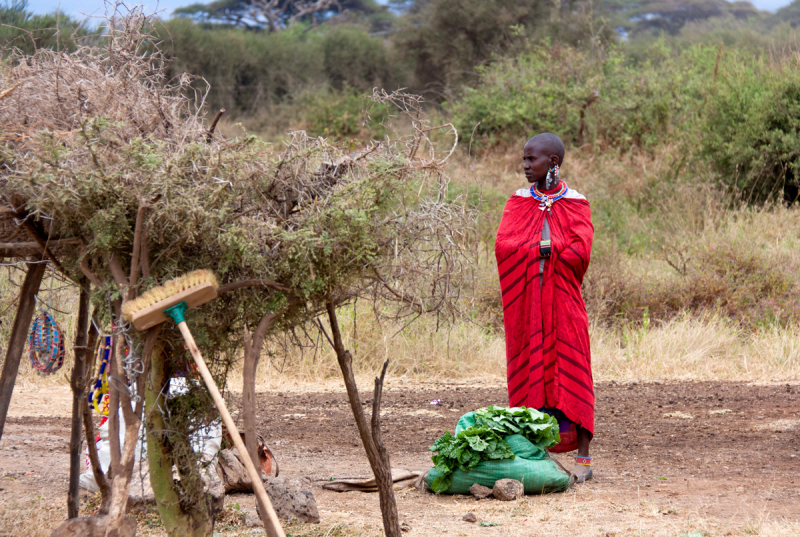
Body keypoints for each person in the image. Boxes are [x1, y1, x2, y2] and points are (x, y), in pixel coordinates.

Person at [495, 132, 595, 482]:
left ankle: (583, 461)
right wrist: (537, 250)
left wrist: (551, 254)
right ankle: (532, 456)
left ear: (552, 162)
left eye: (531, 160)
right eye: (523, 159)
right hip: (527, 304)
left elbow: (581, 249)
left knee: (573, 369)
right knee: (530, 372)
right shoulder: (519, 201)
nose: (524, 166)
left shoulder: (576, 202)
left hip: (564, 301)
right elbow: (504, 246)